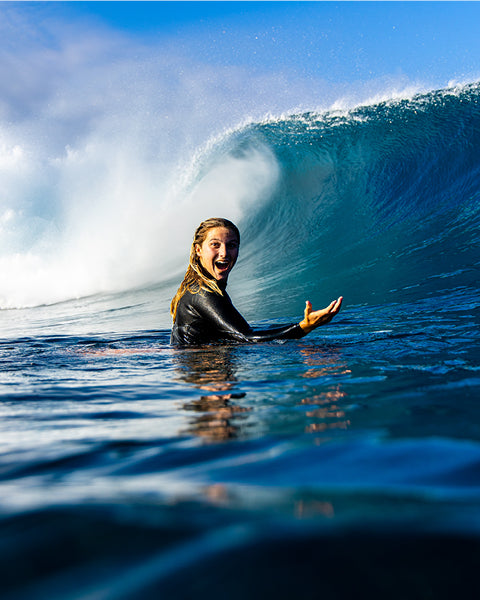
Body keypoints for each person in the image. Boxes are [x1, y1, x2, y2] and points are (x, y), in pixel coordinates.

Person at [170, 217, 343, 346]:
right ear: (198, 250)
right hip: (204, 374)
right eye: (215, 245)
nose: (224, 253)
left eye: (231, 245)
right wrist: (304, 327)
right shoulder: (202, 294)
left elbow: (242, 334)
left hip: (199, 372)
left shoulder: (202, 289)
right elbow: (248, 337)